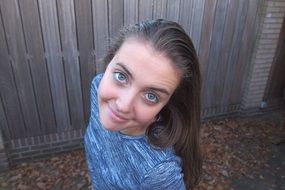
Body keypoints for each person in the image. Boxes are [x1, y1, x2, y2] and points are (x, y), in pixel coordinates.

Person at [84, 19, 202, 190]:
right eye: (121, 76)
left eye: (151, 96)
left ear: (167, 105)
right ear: (110, 62)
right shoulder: (97, 87)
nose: (123, 105)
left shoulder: (159, 173)